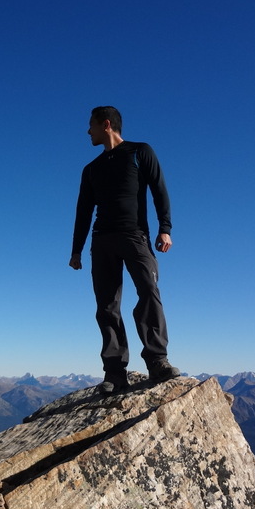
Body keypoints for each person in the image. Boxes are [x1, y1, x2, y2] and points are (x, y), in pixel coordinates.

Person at [69, 106, 180, 394]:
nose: (87, 131)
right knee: (107, 305)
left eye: (90, 125)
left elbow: (159, 190)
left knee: (149, 293)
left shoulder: (139, 152)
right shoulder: (91, 169)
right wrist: (77, 250)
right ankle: (115, 373)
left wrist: (164, 228)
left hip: (135, 236)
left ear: (106, 125)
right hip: (102, 239)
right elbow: (83, 211)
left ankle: (157, 360)